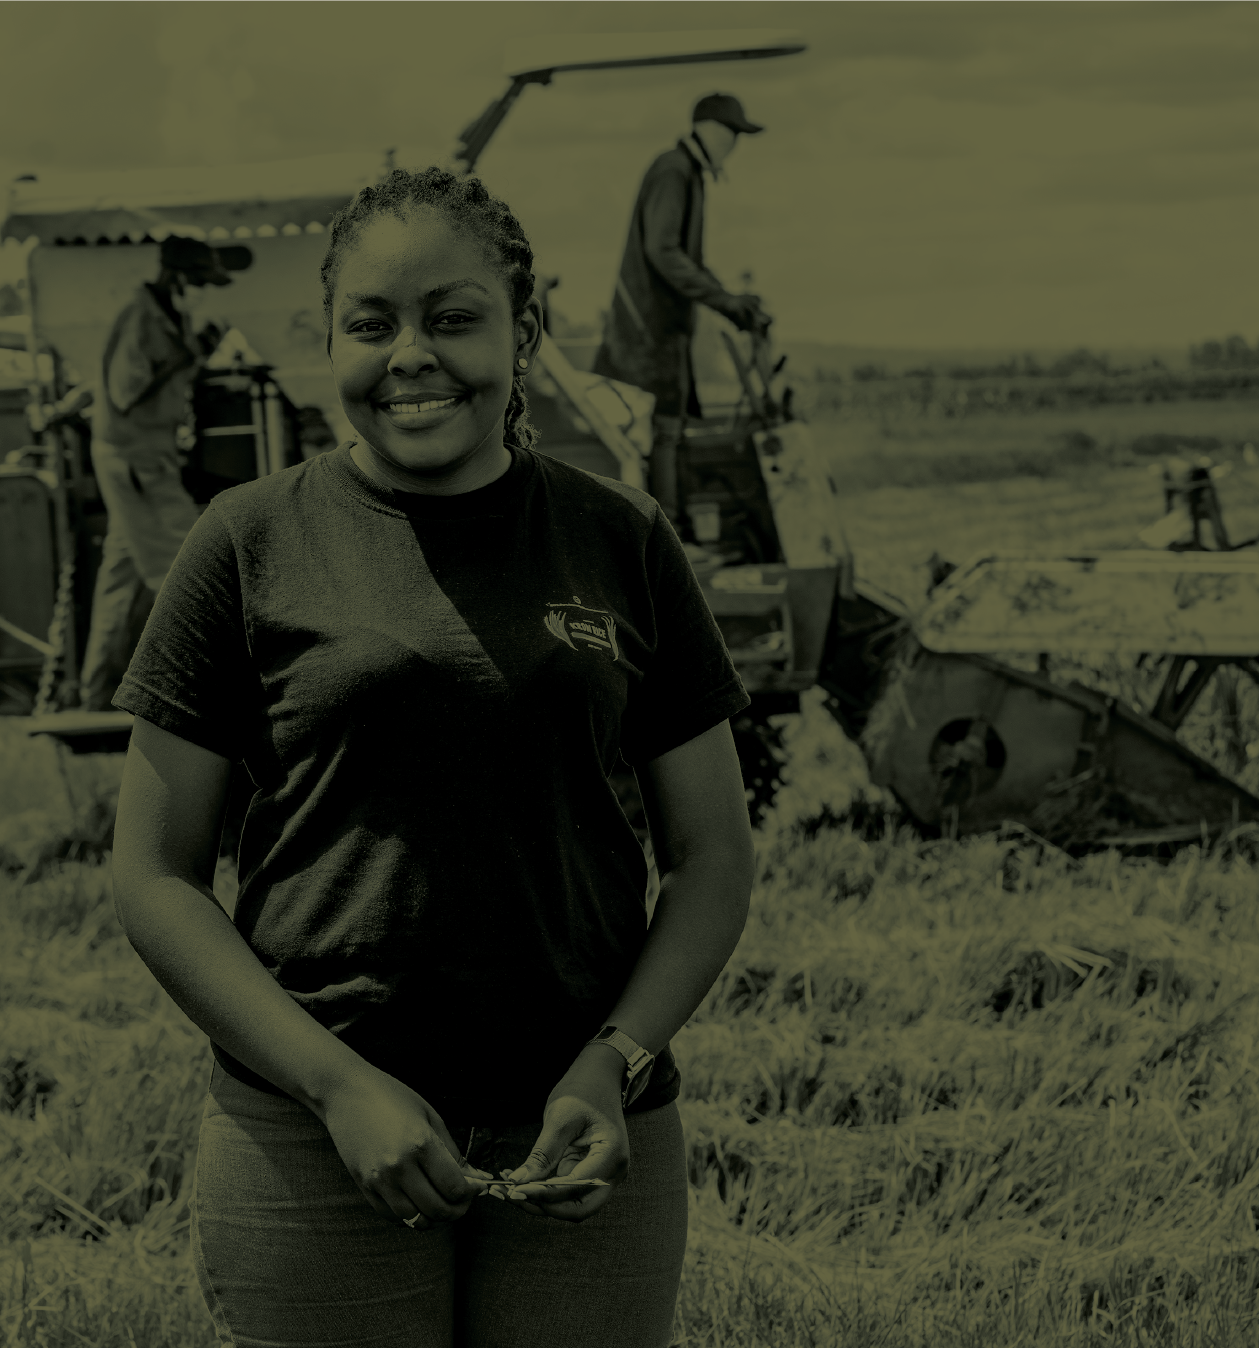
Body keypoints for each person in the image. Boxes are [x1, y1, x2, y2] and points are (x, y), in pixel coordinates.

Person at [110, 167, 757, 1346]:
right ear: (331, 342)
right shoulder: (246, 542)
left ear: (524, 332)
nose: (412, 354)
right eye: (372, 323)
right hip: (312, 1140)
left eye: (453, 317)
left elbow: (713, 853)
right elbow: (153, 873)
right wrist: (334, 1084)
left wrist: (613, 1063)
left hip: (584, 1135)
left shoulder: (623, 536)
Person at [78, 234, 246, 712]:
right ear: (175, 275)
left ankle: (92, 696)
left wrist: (194, 349)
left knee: (119, 578)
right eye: (197, 280)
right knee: (184, 566)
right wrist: (185, 353)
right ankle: (202, 693)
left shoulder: (172, 315)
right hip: (136, 459)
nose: (201, 290)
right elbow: (127, 390)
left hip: (150, 455)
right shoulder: (140, 318)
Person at [591, 91, 774, 520]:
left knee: (666, 434)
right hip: (647, 336)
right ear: (709, 129)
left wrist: (730, 303)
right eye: (732, 133)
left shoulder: (686, 172)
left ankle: (667, 538)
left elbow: (688, 261)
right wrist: (725, 301)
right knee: (663, 435)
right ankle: (667, 543)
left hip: (660, 335)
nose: (735, 144)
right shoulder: (674, 171)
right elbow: (664, 251)